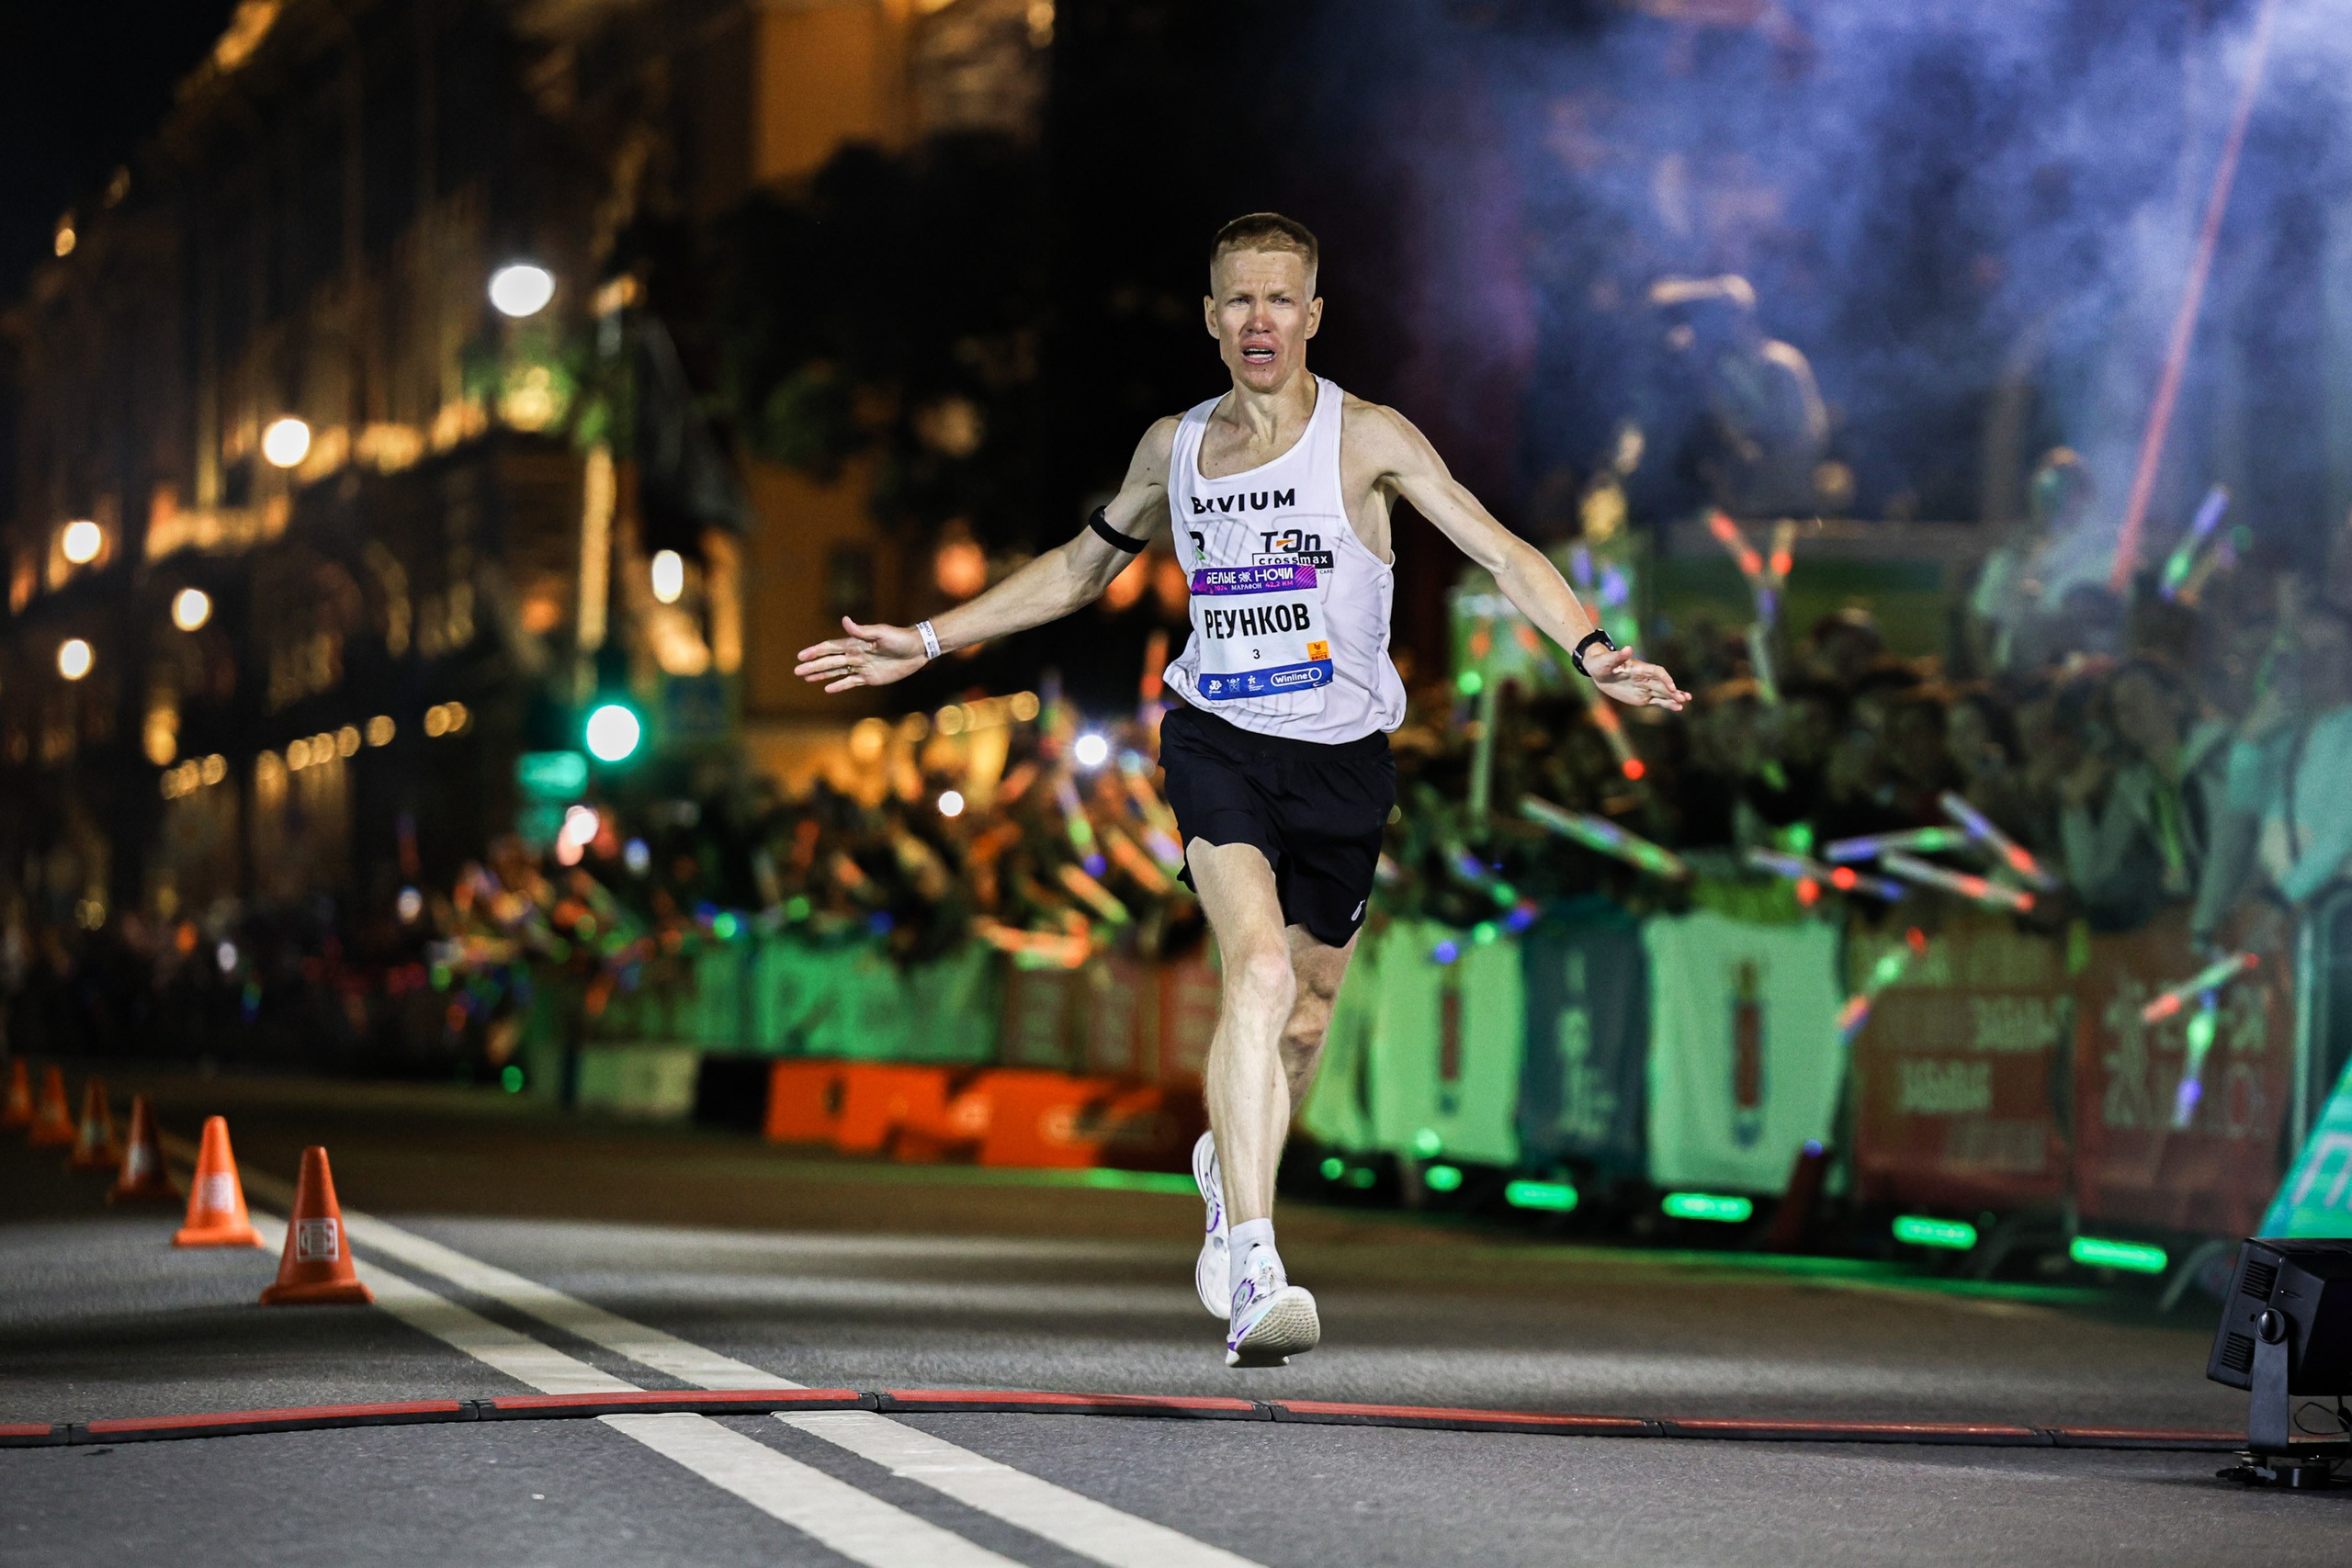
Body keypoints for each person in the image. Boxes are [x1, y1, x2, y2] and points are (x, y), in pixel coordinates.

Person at [796, 212, 1689, 1367]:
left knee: (1307, 1016)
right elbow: (1081, 567)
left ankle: (1231, 1158)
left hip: (1346, 761)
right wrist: (923, 640)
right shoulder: (1172, 447)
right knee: (1256, 971)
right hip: (1218, 739)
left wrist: (1592, 651)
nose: (1259, 321)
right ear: (1210, 317)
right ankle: (1256, 1257)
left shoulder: (1366, 439)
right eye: (1238, 301)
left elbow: (1501, 550)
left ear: (1313, 317)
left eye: (1281, 301)